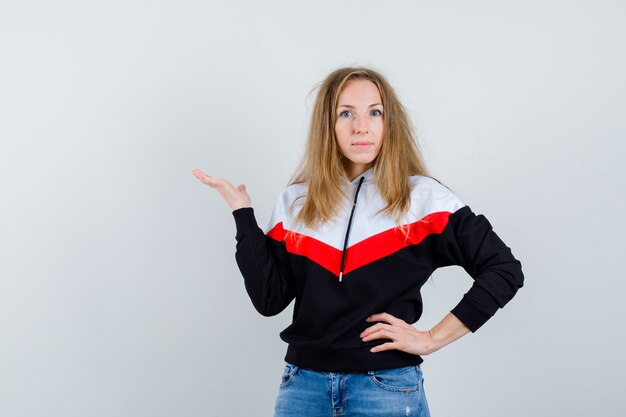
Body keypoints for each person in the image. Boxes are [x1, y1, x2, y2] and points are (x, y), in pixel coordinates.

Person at [192, 67, 524, 417]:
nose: (361, 126)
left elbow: (504, 270)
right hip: (302, 388)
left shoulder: (425, 200)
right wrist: (242, 215)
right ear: (328, 125)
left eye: (374, 113)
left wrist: (431, 339)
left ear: (389, 123)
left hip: (385, 389)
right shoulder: (295, 202)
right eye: (346, 113)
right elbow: (269, 298)